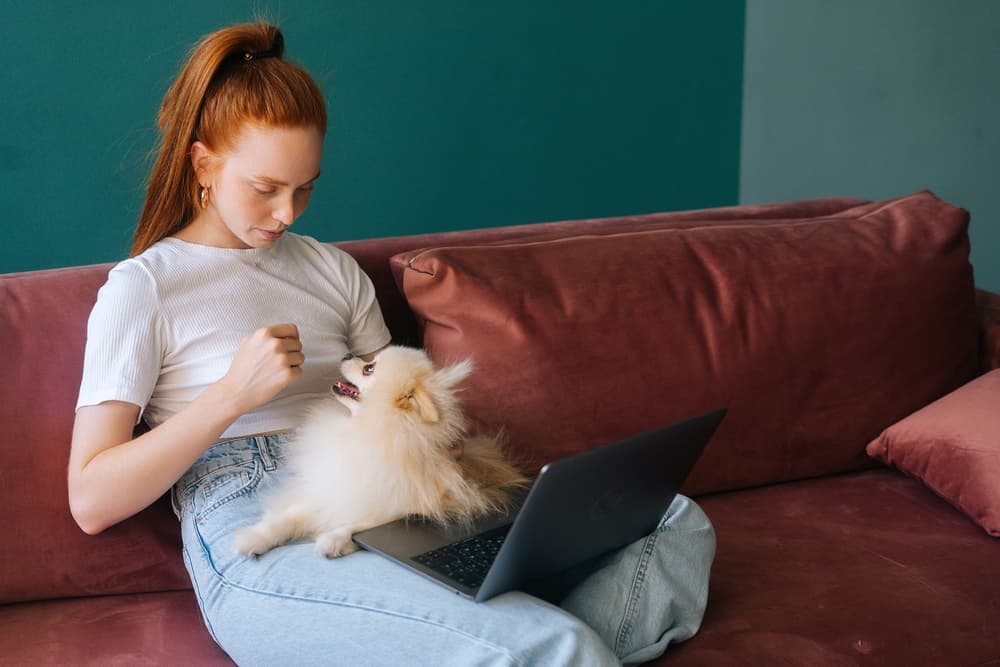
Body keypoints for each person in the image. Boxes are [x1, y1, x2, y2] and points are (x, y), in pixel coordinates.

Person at [68, 21, 716, 667]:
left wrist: (436, 442)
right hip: (260, 522)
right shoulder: (144, 289)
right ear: (202, 162)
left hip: (388, 495)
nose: (289, 213)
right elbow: (92, 500)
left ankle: (526, 645)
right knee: (554, 642)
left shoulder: (332, 270)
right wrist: (229, 397)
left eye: (306, 187)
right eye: (266, 188)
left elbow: (394, 394)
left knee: (672, 518)